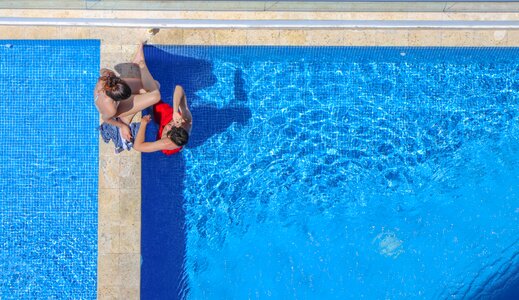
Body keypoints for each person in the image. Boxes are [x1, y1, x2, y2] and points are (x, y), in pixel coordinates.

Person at [94, 42, 161, 141]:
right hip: (119, 108)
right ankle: (124, 119)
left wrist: (107, 74)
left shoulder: (107, 79)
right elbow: (106, 119)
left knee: (154, 85)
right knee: (156, 95)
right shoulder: (111, 109)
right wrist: (122, 126)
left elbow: (102, 70)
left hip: (113, 89)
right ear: (117, 99)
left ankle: (140, 63)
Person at [134, 85, 192, 155]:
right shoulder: (186, 121)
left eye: (166, 132)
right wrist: (175, 111)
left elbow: (137, 146)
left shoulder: (165, 143)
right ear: (180, 126)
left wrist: (143, 124)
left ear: (169, 137)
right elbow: (179, 88)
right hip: (167, 115)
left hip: (168, 143)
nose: (167, 127)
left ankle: (180, 147)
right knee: (147, 92)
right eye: (172, 125)